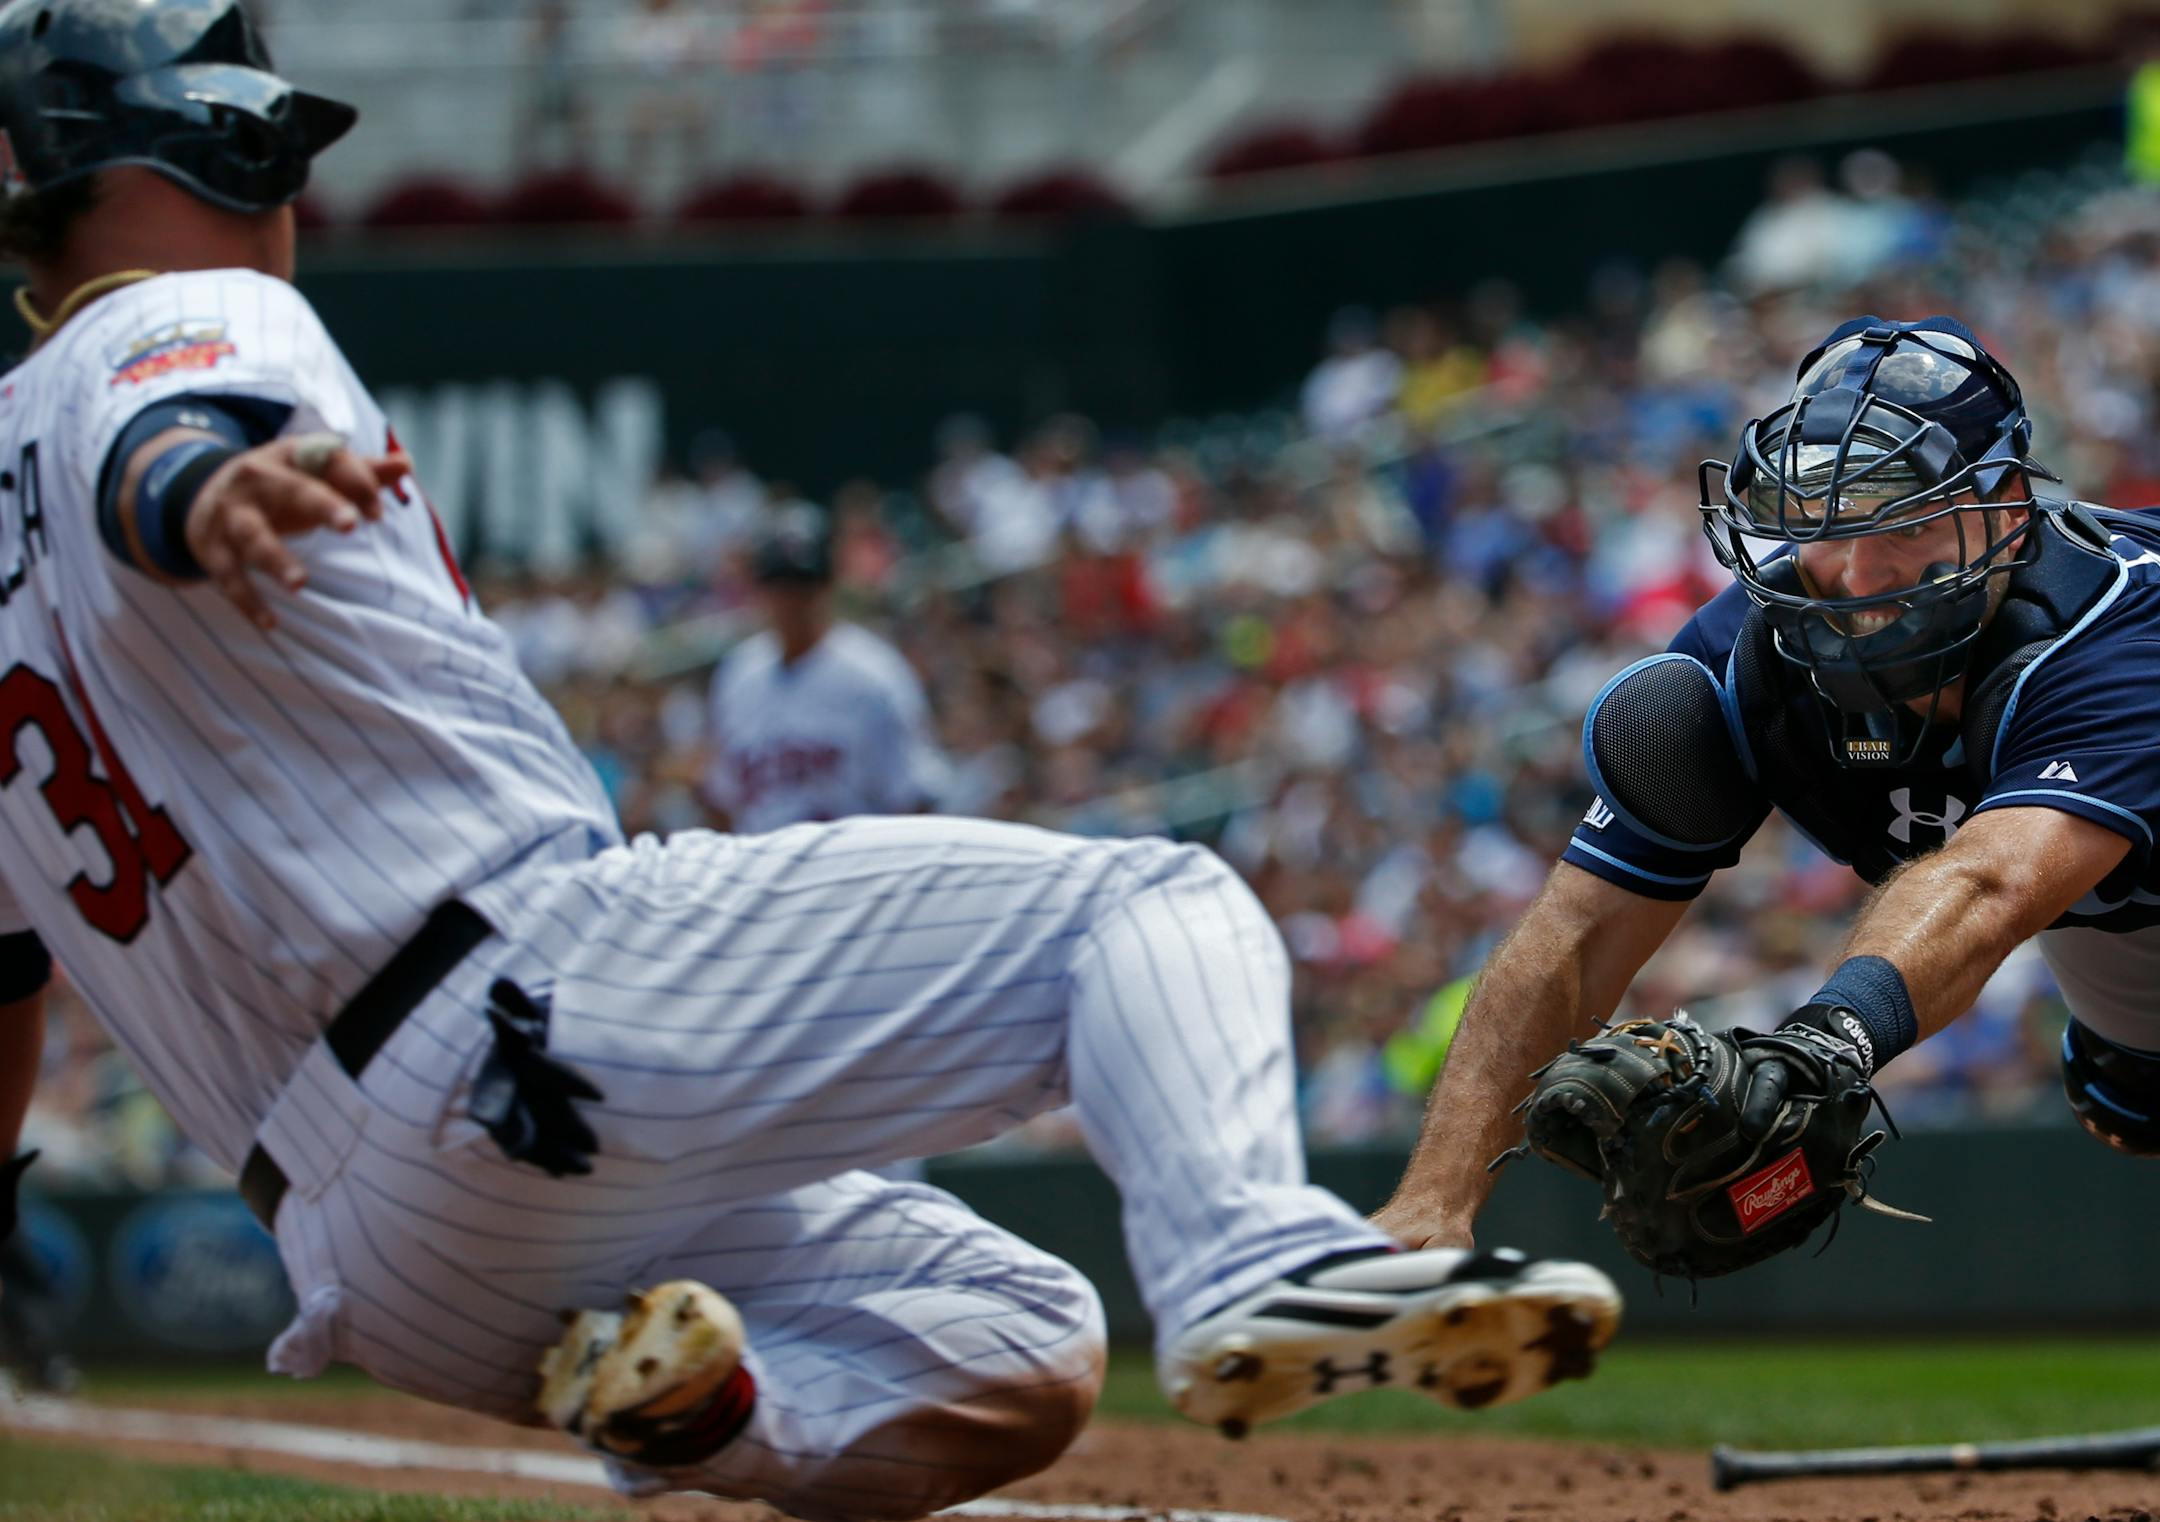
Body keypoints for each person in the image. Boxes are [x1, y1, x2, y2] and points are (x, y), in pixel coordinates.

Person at [0, 3, 1621, 1516]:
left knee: (1025, 1336)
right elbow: (165, 430)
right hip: (525, 1012)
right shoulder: (186, 304)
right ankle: (1257, 1264)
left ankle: (714, 1407)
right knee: (1154, 908)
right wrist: (196, 495)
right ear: (215, 146)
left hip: (383, 1265)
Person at [1375, 314, 2160, 1260]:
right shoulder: (1744, 662)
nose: (1858, 573)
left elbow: (1993, 881)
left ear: (2007, 508)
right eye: (1823, 521)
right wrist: (1433, 1205)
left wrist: (1824, 1046)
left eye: (1904, 519)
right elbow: (1578, 933)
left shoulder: (2122, 634)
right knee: (2130, 1101)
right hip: (2123, 943)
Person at [703, 504, 942, 834]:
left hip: (851, 860)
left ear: (828, 586)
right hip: (765, 859)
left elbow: (916, 796)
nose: (790, 601)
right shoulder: (738, 674)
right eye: (779, 586)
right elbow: (725, 795)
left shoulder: (874, 676)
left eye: (802, 585)